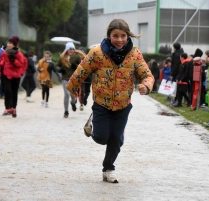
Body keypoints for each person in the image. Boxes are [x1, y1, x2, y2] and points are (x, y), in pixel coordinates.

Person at [66, 18, 154, 183]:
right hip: (102, 103)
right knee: (101, 137)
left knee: (116, 140)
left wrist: (146, 86)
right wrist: (72, 88)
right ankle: (93, 123)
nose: (119, 40)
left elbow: (147, 75)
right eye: (115, 36)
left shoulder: (135, 53)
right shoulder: (97, 52)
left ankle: (108, 168)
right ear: (109, 36)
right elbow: (81, 70)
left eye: (123, 36)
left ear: (128, 36)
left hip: (123, 104)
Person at [0, 36, 27, 117]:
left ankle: (13, 108)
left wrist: (14, 60)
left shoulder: (19, 54)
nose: (8, 44)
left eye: (10, 43)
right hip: (6, 75)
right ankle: (7, 108)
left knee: (14, 92)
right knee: (7, 91)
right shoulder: (4, 53)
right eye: (8, 43)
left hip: (16, 76)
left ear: (14, 45)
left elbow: (22, 64)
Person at [57, 42, 85, 118]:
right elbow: (57, 66)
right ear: (67, 49)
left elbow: (81, 66)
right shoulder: (62, 57)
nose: (71, 50)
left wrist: (75, 65)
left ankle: (73, 102)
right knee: (66, 94)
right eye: (70, 49)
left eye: (73, 49)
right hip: (65, 78)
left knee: (73, 95)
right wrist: (60, 70)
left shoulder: (76, 57)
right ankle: (66, 112)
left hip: (74, 78)